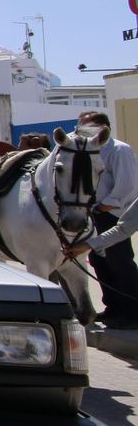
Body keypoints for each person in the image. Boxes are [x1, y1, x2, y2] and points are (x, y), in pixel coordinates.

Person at [76, 111, 138, 325]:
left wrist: (104, 207)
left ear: (103, 129)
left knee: (120, 262)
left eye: (86, 128)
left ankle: (132, 313)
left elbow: (127, 185)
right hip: (94, 214)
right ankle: (114, 307)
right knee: (98, 261)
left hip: (113, 214)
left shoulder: (119, 150)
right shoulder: (89, 151)